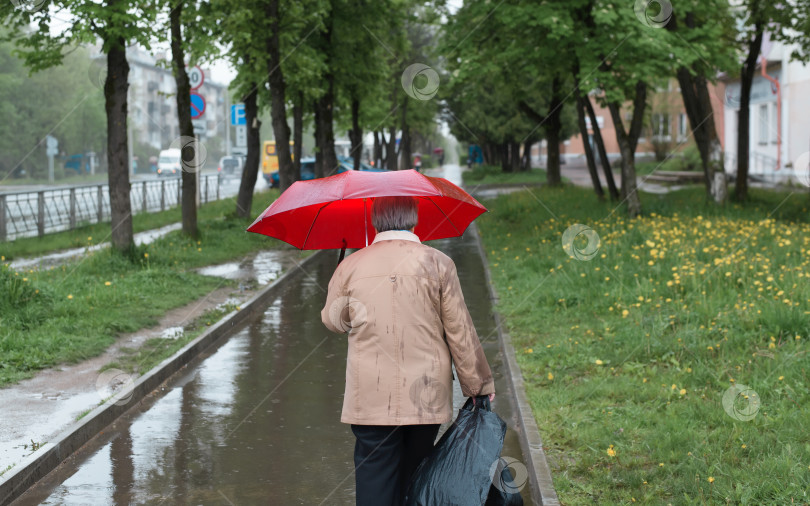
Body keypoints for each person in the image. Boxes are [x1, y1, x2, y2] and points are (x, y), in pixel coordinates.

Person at [321, 196, 495, 506]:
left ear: (376, 221)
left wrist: (340, 276)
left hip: (370, 396)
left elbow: (335, 322)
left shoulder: (352, 264)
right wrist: (478, 386)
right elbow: (459, 330)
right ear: (413, 219)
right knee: (418, 476)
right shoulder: (438, 262)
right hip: (425, 393)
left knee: (374, 475)